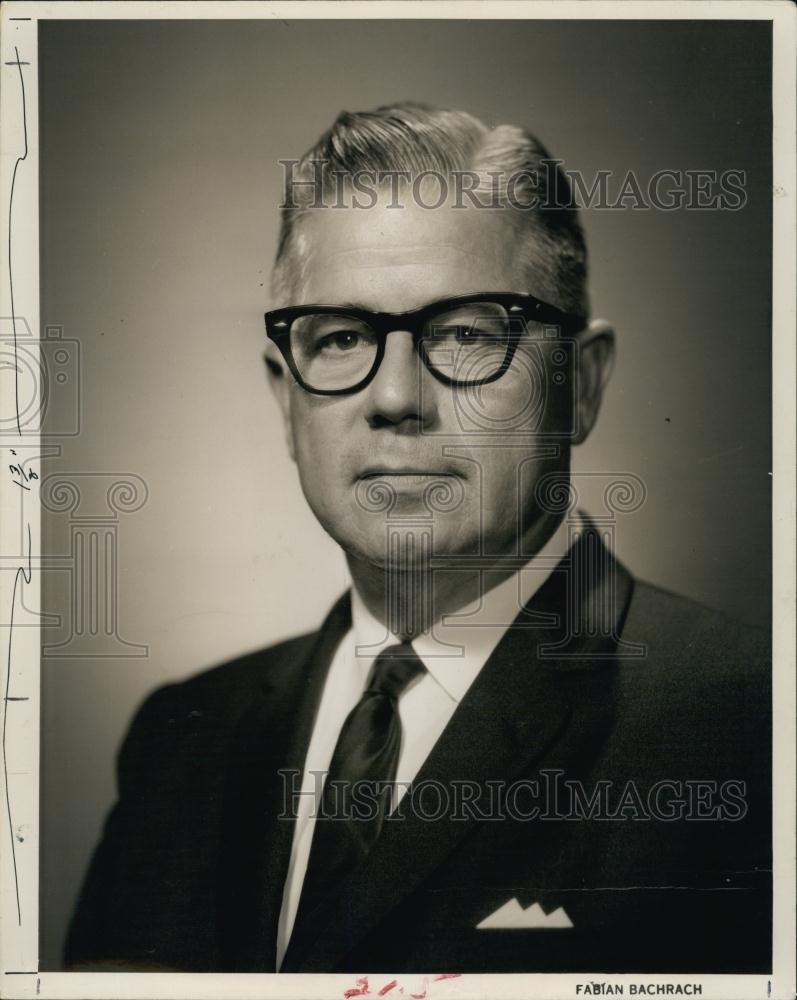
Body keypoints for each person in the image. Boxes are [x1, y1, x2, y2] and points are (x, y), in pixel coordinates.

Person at [65, 103, 771, 974]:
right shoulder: (181, 742)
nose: (396, 396)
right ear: (286, 401)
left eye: (467, 333)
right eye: (342, 337)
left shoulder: (747, 726)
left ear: (580, 385)